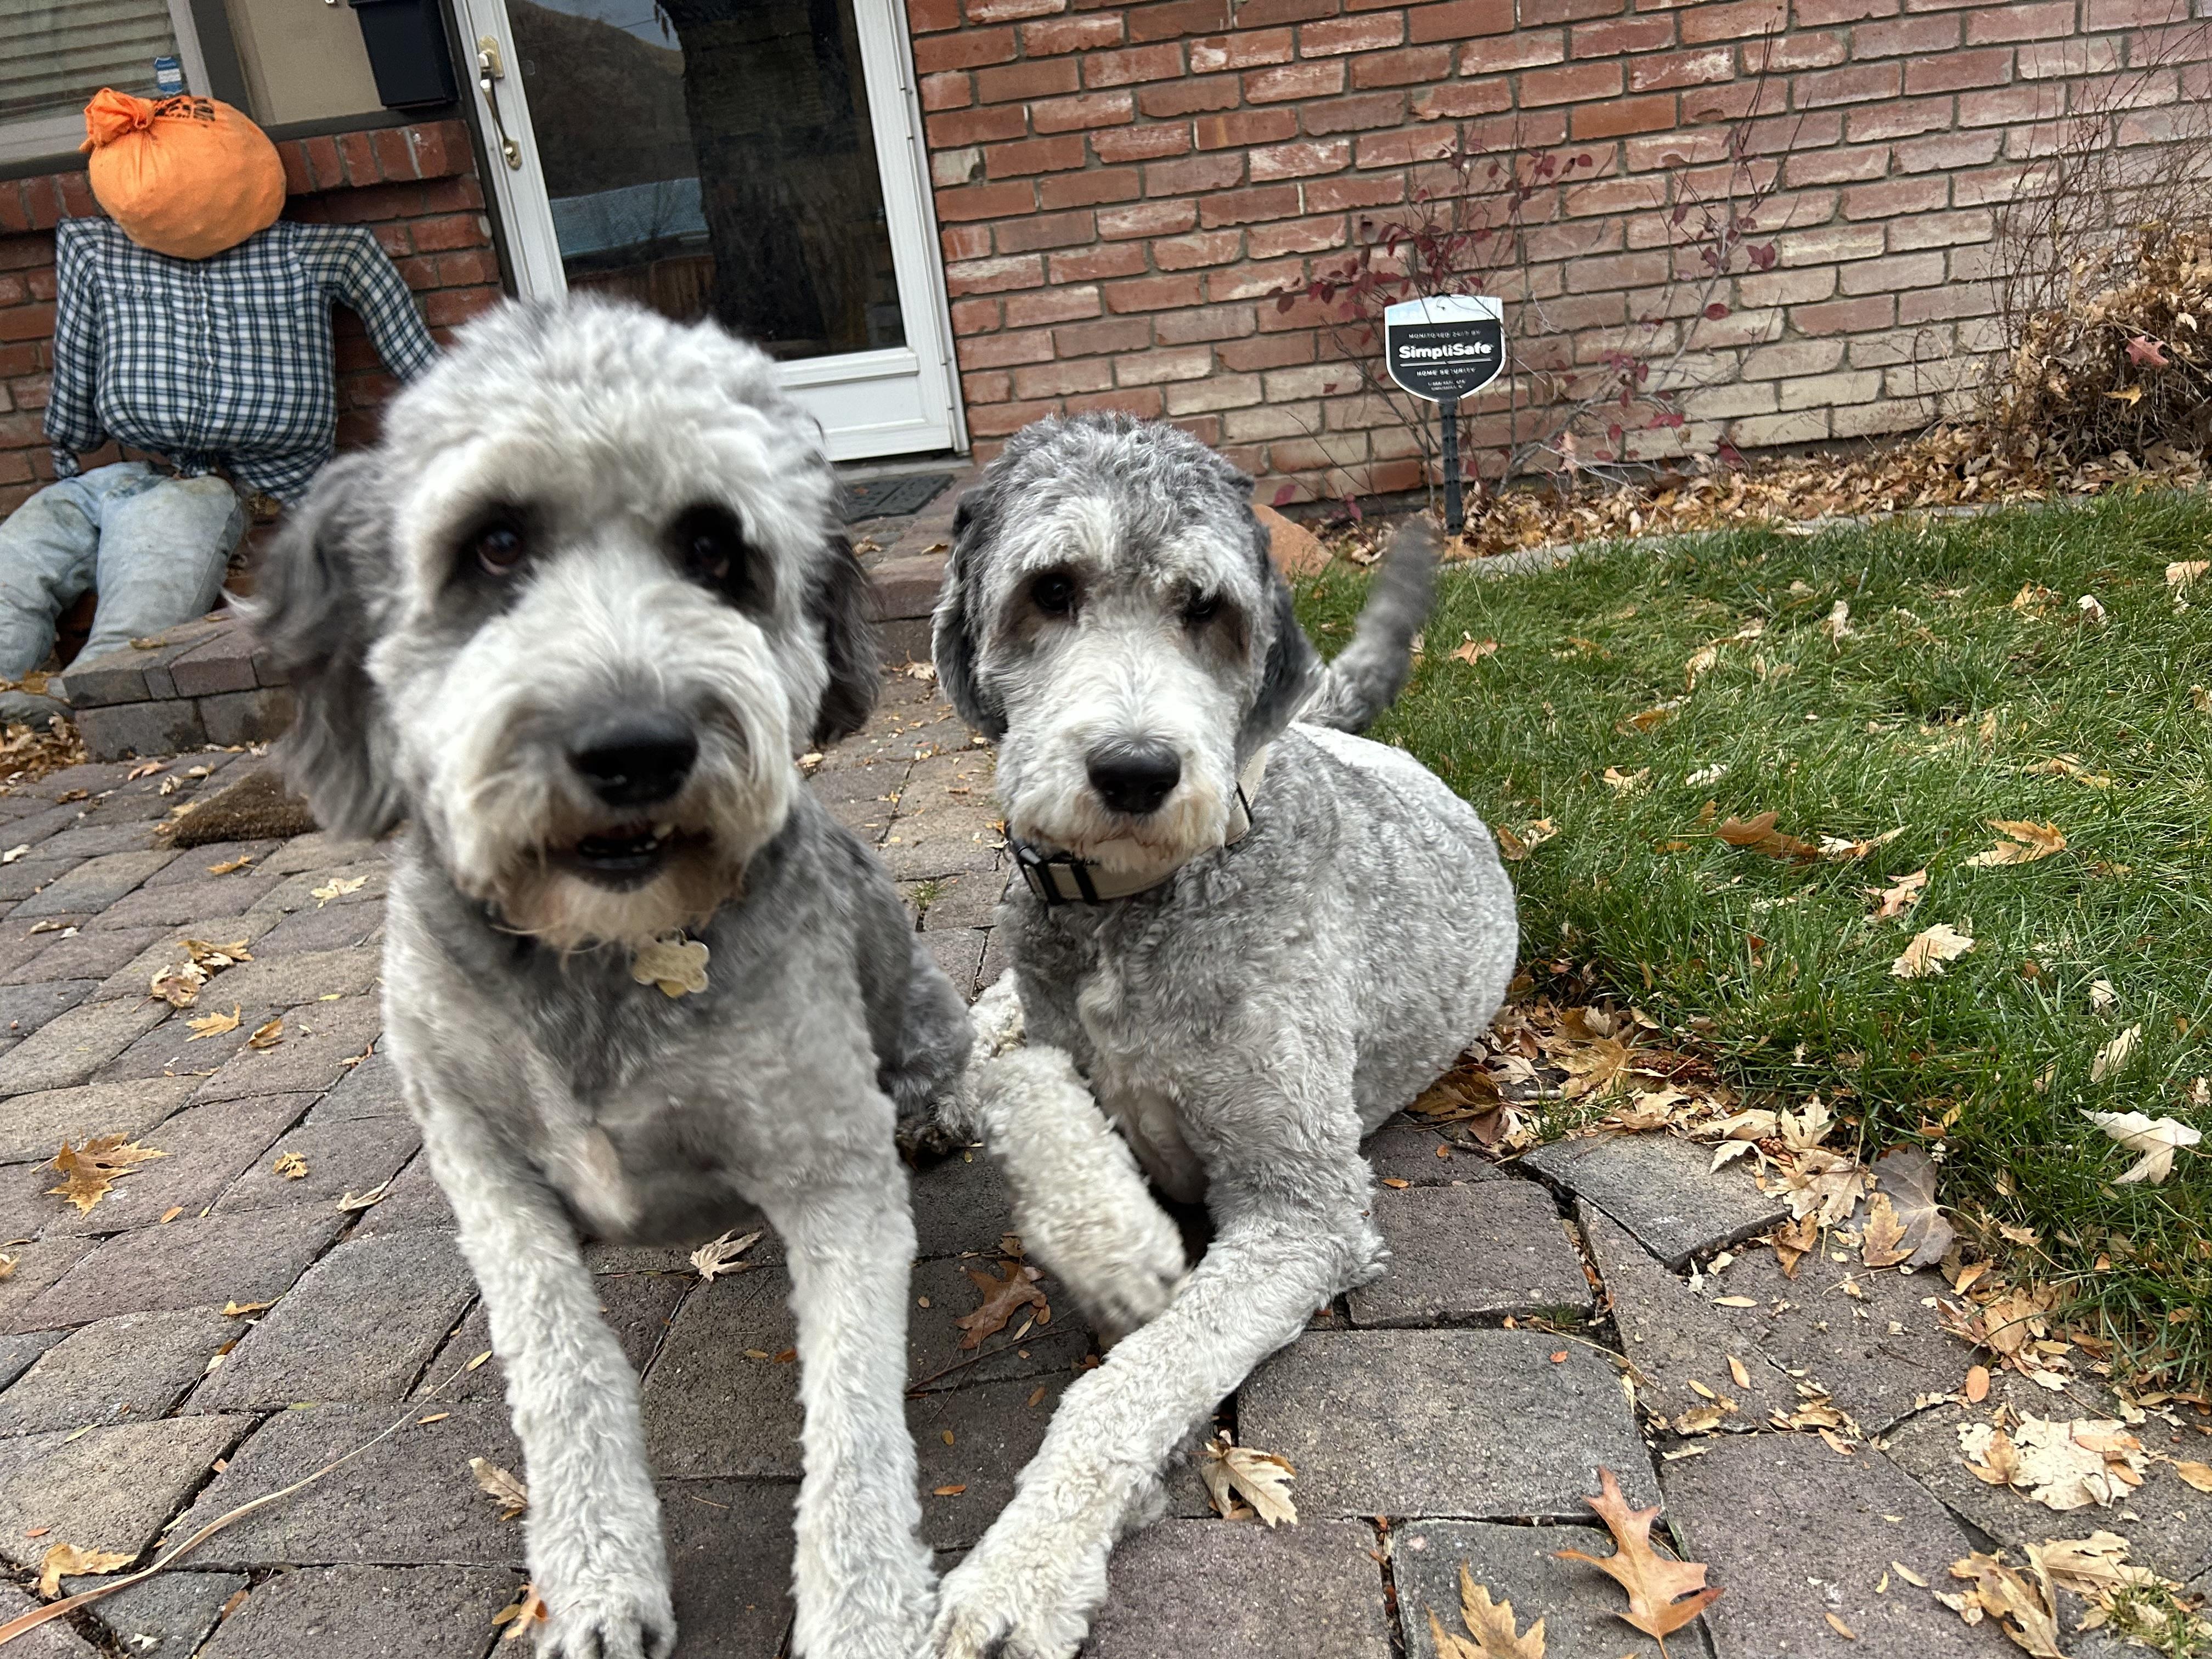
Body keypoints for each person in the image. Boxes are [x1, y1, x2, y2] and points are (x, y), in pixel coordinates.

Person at [0, 213, 436, 726]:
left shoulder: (314, 253)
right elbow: (75, 360)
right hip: (137, 475)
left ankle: (84, 699)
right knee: (33, 534)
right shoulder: (98, 249)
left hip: (234, 489)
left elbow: (415, 354)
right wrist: (69, 447)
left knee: (159, 545)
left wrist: (457, 414)